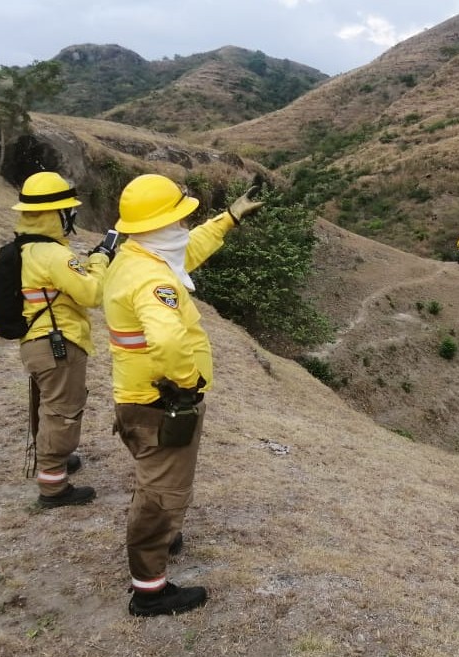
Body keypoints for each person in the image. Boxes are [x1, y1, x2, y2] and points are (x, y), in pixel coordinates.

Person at [103, 173, 264, 617]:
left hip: (136, 398)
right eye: (176, 220)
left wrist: (228, 219)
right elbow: (169, 341)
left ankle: (165, 537)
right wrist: (188, 383)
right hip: (160, 404)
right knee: (161, 493)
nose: (182, 227)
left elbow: (186, 251)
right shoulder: (154, 282)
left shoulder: (134, 258)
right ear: (157, 227)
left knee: (157, 479)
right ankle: (150, 590)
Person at [12, 172, 114, 509]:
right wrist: (100, 259)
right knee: (62, 411)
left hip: (35, 341)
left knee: (48, 406)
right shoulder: (54, 255)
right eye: (67, 211)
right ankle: (53, 486)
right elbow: (92, 293)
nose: (71, 217)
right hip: (59, 344)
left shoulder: (26, 247)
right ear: (55, 214)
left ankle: (54, 460)